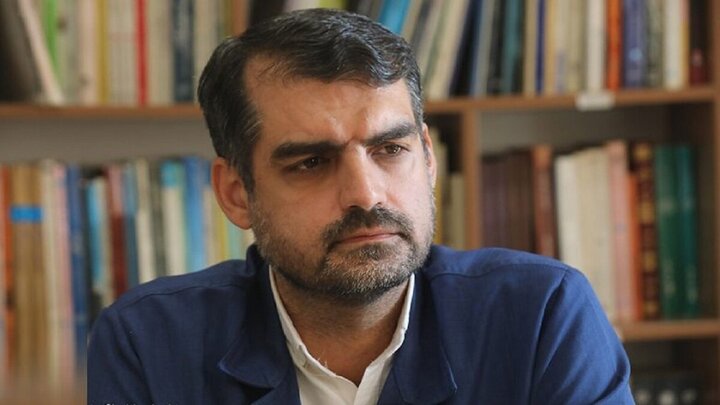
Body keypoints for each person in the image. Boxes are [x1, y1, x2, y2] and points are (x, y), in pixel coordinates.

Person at [88, 8, 633, 404]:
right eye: (311, 163)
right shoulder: (147, 342)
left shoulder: (542, 314)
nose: (366, 194)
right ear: (236, 193)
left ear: (427, 159)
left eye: (390, 150)